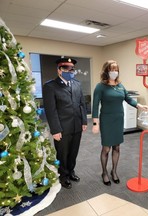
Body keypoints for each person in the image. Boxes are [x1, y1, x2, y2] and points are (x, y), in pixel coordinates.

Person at [92, 60, 148, 186]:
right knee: (106, 148)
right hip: (106, 120)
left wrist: (139, 105)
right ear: (106, 71)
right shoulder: (100, 86)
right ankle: (104, 172)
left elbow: (128, 98)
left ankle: (114, 171)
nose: (114, 72)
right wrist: (96, 124)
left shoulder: (120, 85)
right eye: (112, 69)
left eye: (116, 69)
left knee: (117, 147)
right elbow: (95, 106)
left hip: (118, 119)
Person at [43, 57, 87, 189]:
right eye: (66, 68)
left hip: (76, 125)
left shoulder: (77, 84)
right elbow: (51, 110)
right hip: (61, 128)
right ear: (59, 70)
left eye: (72, 69)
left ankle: (71, 171)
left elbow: (82, 104)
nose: (69, 71)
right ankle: (63, 176)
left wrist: (84, 121)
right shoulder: (50, 86)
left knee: (73, 151)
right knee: (62, 153)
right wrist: (55, 130)